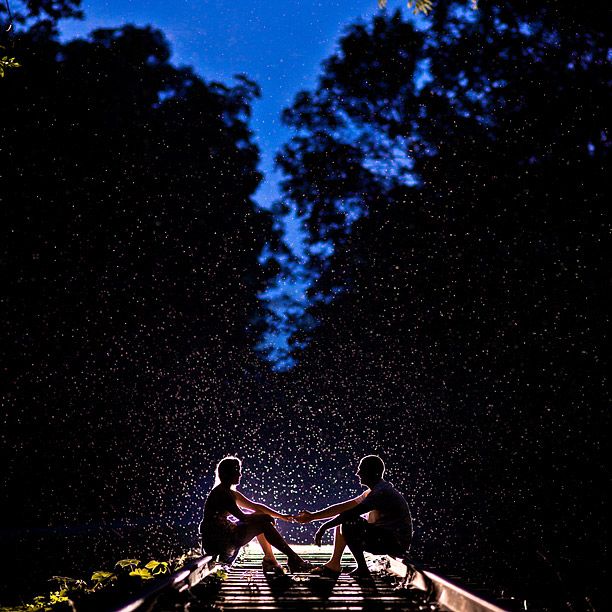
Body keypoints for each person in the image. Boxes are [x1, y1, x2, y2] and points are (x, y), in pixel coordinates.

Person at [296, 455, 412, 580]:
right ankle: (334, 564)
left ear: (374, 472)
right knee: (344, 521)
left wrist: (324, 527)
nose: (358, 473)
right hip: (386, 538)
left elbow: (351, 514)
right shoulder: (372, 492)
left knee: (349, 522)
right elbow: (343, 508)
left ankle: (362, 568)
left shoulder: (381, 492)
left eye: (361, 469)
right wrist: (313, 517)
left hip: (395, 543)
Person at [199, 456, 312, 574]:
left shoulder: (229, 492)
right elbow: (243, 518)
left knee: (260, 518)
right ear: (228, 473)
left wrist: (281, 516)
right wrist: (265, 517)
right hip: (218, 541)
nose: (240, 474)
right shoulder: (222, 494)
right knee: (263, 523)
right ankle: (293, 559)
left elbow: (255, 506)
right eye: (237, 471)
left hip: (224, 536)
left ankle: (274, 558)